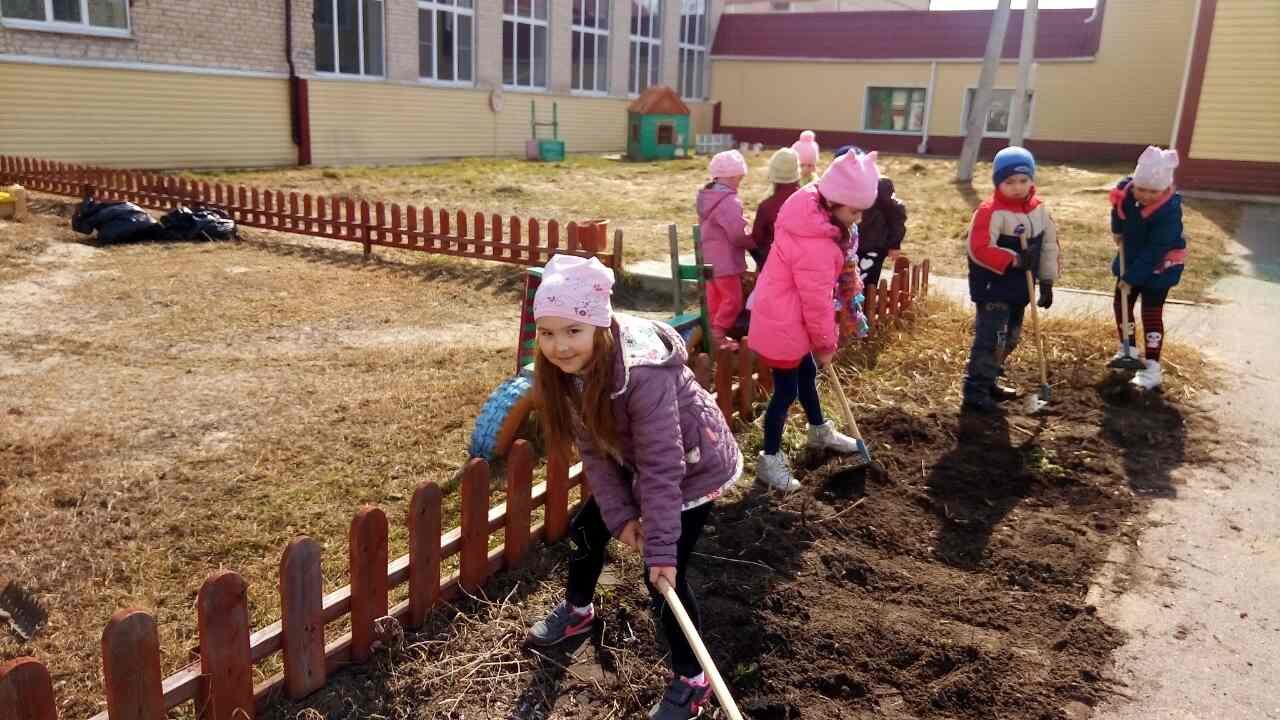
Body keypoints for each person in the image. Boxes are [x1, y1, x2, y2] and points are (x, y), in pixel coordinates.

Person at [525, 254, 743, 720]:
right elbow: (594, 453)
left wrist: (660, 548)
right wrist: (621, 516)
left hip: (693, 465)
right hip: (633, 453)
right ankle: (578, 611)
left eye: (572, 330)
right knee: (587, 528)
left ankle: (693, 679)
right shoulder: (569, 372)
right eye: (547, 333)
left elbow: (663, 466)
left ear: (599, 326)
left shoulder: (643, 373)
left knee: (663, 578)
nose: (559, 346)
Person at [747, 150, 882, 491]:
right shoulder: (816, 245)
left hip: (787, 312)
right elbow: (817, 302)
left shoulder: (810, 207)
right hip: (784, 321)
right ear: (833, 201)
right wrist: (825, 343)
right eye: (854, 211)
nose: (859, 219)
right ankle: (769, 459)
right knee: (785, 392)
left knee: (806, 372)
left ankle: (819, 430)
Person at [962, 146, 1060, 413]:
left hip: (1020, 289)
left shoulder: (1040, 211)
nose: (1017, 187)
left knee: (1011, 338)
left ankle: (991, 379)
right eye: (1009, 182)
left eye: (1023, 180)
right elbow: (979, 248)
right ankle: (976, 390)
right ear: (997, 182)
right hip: (993, 287)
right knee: (992, 338)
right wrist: (1014, 259)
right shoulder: (990, 211)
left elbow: (1049, 246)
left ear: (1032, 180)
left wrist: (1047, 281)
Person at [1109, 145, 1185, 390]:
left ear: (1165, 188)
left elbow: (1156, 249)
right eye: (1141, 189)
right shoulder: (1126, 192)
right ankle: (1128, 350)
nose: (1146, 195)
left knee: (1151, 313)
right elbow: (1118, 209)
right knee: (1121, 303)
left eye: (1153, 191)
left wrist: (1131, 277)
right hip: (1132, 257)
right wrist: (1117, 230)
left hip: (1160, 266)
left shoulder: (1169, 212)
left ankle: (1152, 368)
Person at [697, 149, 754, 349]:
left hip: (708, 259)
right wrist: (753, 240)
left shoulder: (707, 198)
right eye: (739, 178)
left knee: (714, 299)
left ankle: (710, 334)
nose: (740, 183)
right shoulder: (729, 202)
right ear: (731, 177)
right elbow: (737, 234)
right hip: (725, 262)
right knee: (732, 300)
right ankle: (718, 334)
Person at [833, 145, 909, 288]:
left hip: (874, 244)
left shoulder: (879, 185)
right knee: (846, 279)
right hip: (849, 244)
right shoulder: (839, 187)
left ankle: (867, 300)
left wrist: (894, 243)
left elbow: (896, 214)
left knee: (867, 281)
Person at [749, 147, 802, 269]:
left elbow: (756, 239)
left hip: (774, 267)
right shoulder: (810, 201)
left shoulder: (767, 207)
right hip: (804, 266)